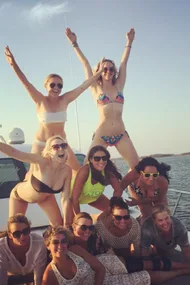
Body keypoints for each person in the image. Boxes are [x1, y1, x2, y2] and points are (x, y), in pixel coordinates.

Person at [5, 46, 105, 176]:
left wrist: (99, 72)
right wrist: (14, 64)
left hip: (61, 144)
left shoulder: (65, 99)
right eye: (52, 84)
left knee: (78, 172)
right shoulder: (40, 100)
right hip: (41, 143)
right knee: (32, 175)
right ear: (46, 85)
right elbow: (26, 83)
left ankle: (73, 196)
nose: (56, 88)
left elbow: (84, 86)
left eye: (60, 85)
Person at [65, 28, 139, 169]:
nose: (108, 71)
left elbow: (124, 62)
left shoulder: (119, 86)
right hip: (102, 135)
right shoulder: (95, 87)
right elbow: (85, 64)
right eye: (105, 69)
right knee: (87, 168)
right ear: (100, 71)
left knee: (137, 168)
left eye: (111, 69)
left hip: (121, 134)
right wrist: (75, 44)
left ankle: (126, 189)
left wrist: (129, 42)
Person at [71, 211, 190, 285]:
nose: (87, 231)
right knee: (146, 276)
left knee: (150, 264)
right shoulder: (67, 243)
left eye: (90, 228)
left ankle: (186, 267)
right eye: (83, 228)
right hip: (101, 274)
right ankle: (182, 271)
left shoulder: (94, 236)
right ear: (73, 226)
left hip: (110, 264)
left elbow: (105, 252)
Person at [0, 135, 72, 226]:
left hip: (46, 197)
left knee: (59, 226)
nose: (61, 148)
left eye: (64, 145)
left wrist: (67, 224)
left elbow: (65, 199)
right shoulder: (41, 162)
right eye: (56, 147)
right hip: (19, 197)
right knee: (14, 228)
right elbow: (14, 152)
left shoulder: (67, 170)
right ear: (49, 151)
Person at [42, 225, 151, 285]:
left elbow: (100, 268)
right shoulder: (50, 274)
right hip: (105, 282)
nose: (60, 245)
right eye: (55, 242)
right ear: (47, 245)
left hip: (105, 266)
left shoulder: (75, 250)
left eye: (63, 241)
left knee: (145, 265)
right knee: (144, 277)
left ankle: (167, 265)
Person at [71, 145, 122, 215]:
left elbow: (118, 190)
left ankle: (98, 220)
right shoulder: (85, 170)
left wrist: (113, 204)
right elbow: (74, 198)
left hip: (92, 197)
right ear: (91, 159)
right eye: (97, 159)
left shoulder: (108, 171)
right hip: (71, 198)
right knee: (71, 223)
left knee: (114, 212)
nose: (101, 161)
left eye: (104, 158)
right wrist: (78, 217)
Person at [121, 156, 170, 224]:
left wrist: (137, 202)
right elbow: (119, 188)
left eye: (155, 175)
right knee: (146, 215)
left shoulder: (163, 182)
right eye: (147, 175)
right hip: (137, 189)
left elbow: (157, 198)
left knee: (162, 212)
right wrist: (116, 204)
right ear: (141, 173)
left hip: (156, 195)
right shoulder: (133, 175)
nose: (151, 178)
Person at [0, 214, 47, 285]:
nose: (22, 237)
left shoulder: (39, 243)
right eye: (17, 234)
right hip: (11, 275)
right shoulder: (1, 247)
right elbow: (2, 277)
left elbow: (38, 277)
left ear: (30, 230)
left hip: (33, 274)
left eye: (25, 231)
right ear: (9, 235)